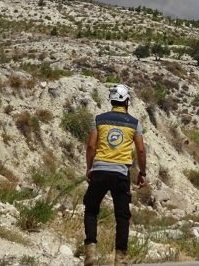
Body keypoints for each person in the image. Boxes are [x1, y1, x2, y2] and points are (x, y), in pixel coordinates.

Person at [83, 83, 147, 266]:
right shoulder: (134, 123)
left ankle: (91, 252)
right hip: (120, 173)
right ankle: (120, 259)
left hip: (100, 171)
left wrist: (89, 168)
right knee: (122, 216)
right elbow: (141, 151)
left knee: (91, 209)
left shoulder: (99, 119)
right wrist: (142, 173)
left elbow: (91, 146)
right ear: (127, 101)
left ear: (111, 100)